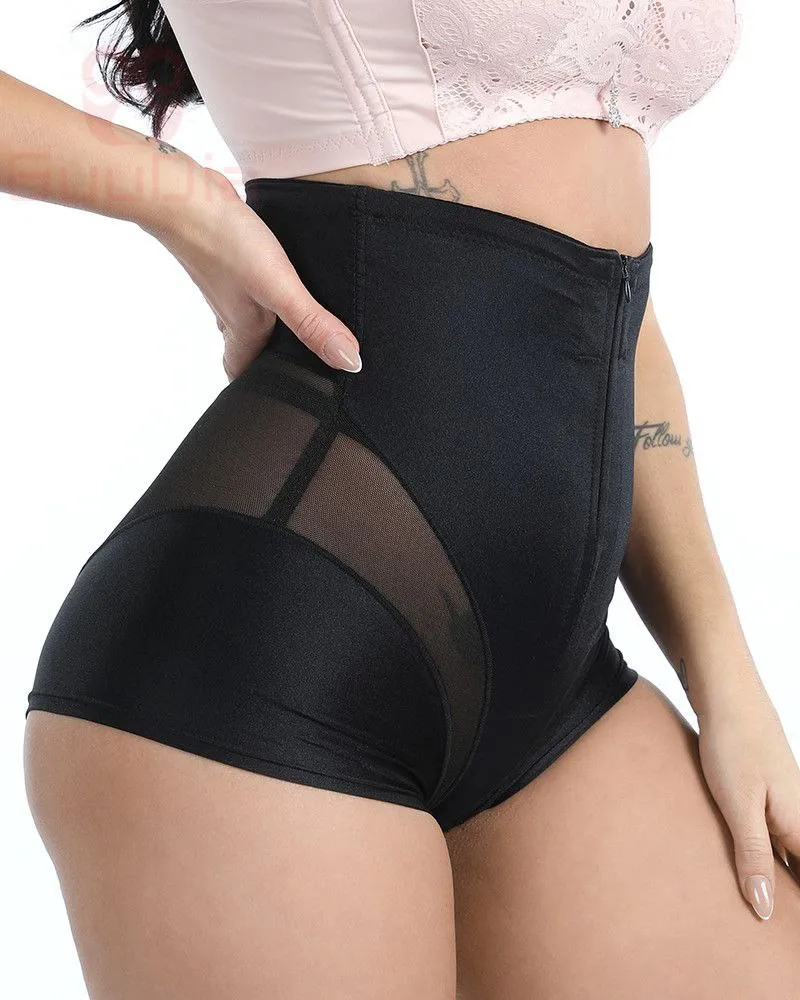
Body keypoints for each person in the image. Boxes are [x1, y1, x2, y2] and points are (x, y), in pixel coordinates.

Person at [10, 0, 800, 996]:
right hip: (277, 655)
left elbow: (592, 300)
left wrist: (725, 675)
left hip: (554, 689)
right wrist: (177, 197)